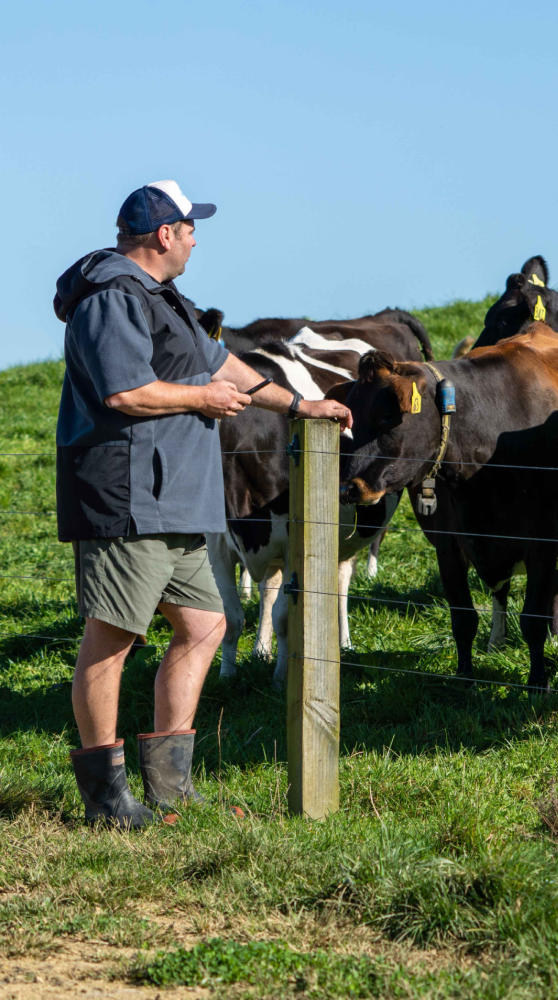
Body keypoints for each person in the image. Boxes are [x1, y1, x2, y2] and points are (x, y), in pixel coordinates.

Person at [54, 181, 352, 828]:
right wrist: (199, 400)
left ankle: (169, 788)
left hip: (179, 499)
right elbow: (123, 394)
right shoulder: (110, 300)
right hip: (126, 494)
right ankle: (107, 802)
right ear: (164, 234)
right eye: (189, 227)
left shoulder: (166, 300)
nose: (195, 238)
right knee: (112, 639)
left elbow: (226, 367)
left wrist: (301, 405)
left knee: (204, 626)